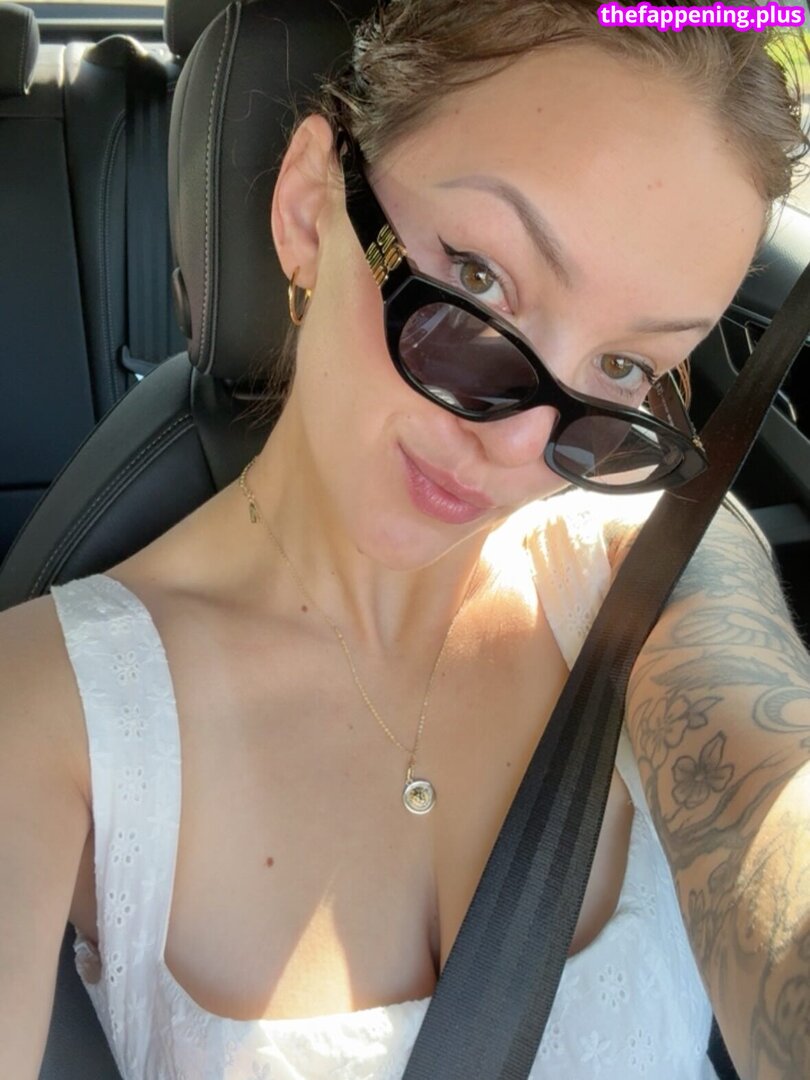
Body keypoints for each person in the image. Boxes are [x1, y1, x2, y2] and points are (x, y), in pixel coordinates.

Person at [1, 1, 808, 1077]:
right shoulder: (40, 715)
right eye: (477, 280)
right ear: (309, 207)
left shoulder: (649, 567)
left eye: (622, 368)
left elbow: (772, 804)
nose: (522, 443)